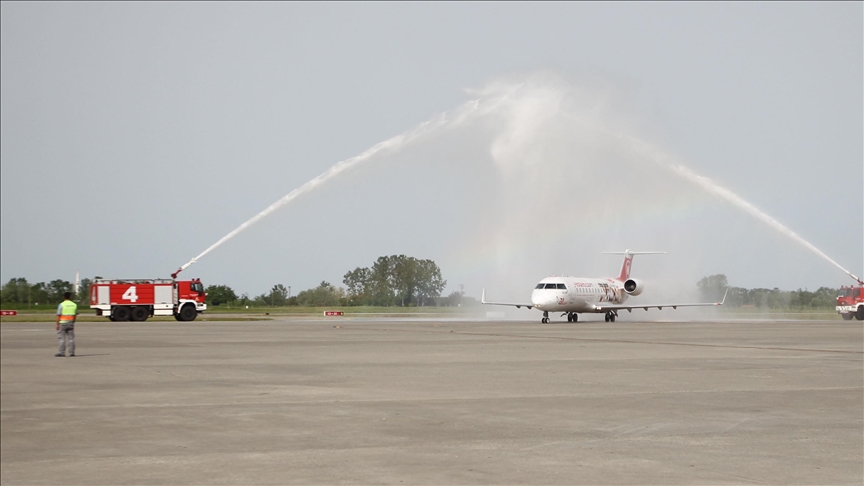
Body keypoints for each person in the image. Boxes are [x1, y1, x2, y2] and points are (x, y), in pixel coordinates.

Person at [56, 291, 78, 357]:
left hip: (62, 323)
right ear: (70, 297)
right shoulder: (74, 305)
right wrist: (73, 321)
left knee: (62, 339)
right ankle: (71, 352)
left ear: (64, 297)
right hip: (70, 323)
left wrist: (57, 324)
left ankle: (62, 352)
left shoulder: (61, 305)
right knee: (71, 339)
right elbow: (75, 314)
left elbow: (58, 315)